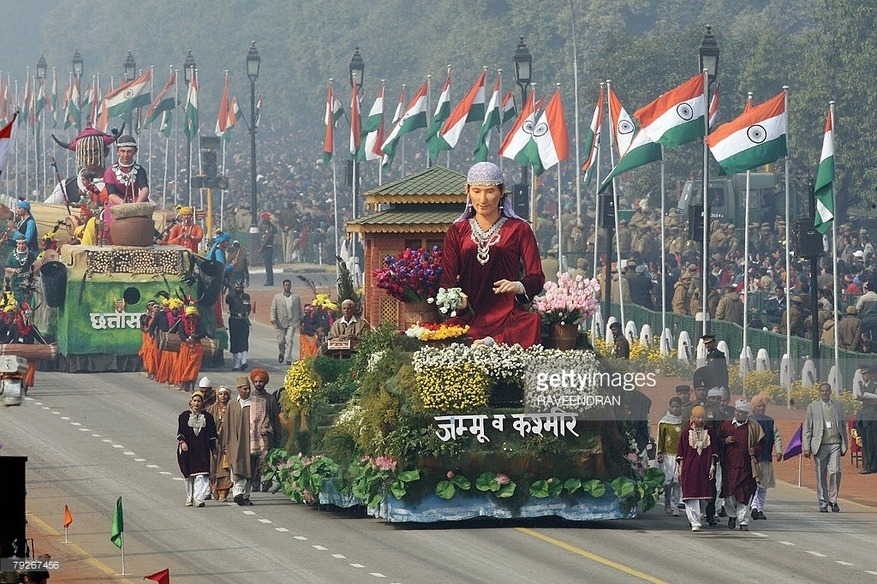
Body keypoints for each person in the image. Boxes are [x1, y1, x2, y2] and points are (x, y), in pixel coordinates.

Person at [438, 162, 545, 347]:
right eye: (477, 191)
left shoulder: (520, 229)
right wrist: (456, 300)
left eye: (490, 191)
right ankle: (488, 341)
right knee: (449, 332)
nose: (483, 199)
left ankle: (491, 342)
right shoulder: (457, 231)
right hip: (469, 315)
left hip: (508, 314)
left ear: (502, 191)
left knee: (531, 322)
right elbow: (447, 281)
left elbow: (536, 277)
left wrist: (518, 286)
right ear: (467, 191)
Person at [223, 376, 270, 506]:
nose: (247, 391)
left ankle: (245, 495)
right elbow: (227, 424)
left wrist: (265, 430)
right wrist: (224, 442)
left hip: (251, 442)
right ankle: (237, 492)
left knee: (250, 468)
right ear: (238, 389)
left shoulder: (257, 403)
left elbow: (264, 420)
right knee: (237, 466)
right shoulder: (232, 404)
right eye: (244, 389)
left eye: (248, 388)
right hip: (234, 441)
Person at [718, 400, 764, 531]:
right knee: (730, 495)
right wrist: (726, 440)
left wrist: (755, 450)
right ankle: (732, 516)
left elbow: (762, 444)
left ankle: (743, 521)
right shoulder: (727, 425)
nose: (739, 414)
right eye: (737, 411)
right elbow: (717, 441)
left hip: (746, 467)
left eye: (742, 412)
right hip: (729, 466)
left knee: (745, 494)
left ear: (746, 414)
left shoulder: (753, 427)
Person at [804, 382, 848, 512]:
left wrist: (845, 443)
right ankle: (823, 502)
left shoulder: (838, 406)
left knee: (835, 471)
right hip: (820, 445)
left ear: (830, 392)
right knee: (820, 474)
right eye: (822, 391)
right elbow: (807, 428)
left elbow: (843, 426)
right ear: (819, 392)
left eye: (827, 391)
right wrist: (806, 447)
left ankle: (833, 500)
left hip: (835, 443)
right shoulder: (813, 407)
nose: (825, 393)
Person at [677, 406, 718, 532]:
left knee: (704, 495)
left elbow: (713, 452)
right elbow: (681, 453)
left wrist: (712, 467)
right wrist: (680, 469)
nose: (700, 420)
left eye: (702, 417)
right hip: (689, 468)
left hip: (704, 467)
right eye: (697, 417)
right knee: (690, 496)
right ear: (692, 417)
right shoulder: (685, 433)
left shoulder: (709, 432)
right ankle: (694, 522)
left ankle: (700, 516)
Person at [177, 391, 218, 508]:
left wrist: (213, 451)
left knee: (202, 475)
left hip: (202, 450)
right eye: (194, 401)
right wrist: (182, 442)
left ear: (202, 403)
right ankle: (189, 497)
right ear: (191, 402)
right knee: (188, 475)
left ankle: (199, 498)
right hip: (187, 450)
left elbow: (211, 436)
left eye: (199, 401)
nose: (196, 403)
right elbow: (180, 433)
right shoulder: (184, 416)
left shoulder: (208, 417)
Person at [749, 393, 783, 520]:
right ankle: (754, 507)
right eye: (759, 406)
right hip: (752, 459)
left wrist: (779, 451)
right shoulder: (749, 420)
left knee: (763, 486)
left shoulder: (770, 421)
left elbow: (777, 436)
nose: (762, 408)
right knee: (754, 485)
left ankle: (760, 509)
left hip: (766, 457)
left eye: (763, 406)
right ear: (753, 407)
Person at [250, 369, 282, 492]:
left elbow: (275, 418)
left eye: (260, 381)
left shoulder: (270, 399)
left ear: (265, 382)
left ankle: (266, 481)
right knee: (253, 459)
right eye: (256, 381)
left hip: (267, 434)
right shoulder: (250, 398)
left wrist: (278, 436)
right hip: (252, 434)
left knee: (266, 459)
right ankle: (255, 481)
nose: (258, 384)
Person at [656, 397, 684, 516]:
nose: (675, 408)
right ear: (669, 407)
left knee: (678, 481)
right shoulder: (664, 422)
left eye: (677, 406)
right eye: (673, 406)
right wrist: (659, 453)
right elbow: (660, 439)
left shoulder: (685, 421)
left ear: (681, 407)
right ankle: (667, 502)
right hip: (667, 455)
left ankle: (675, 506)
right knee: (668, 481)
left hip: (680, 455)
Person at [103, 134, 149, 204]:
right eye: (122, 151)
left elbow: (144, 189)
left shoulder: (140, 170)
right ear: (118, 151)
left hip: (137, 201)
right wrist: (123, 204)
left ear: (135, 151)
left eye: (129, 151)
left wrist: (137, 204)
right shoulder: (110, 172)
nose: (126, 155)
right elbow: (111, 195)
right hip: (117, 203)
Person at [172, 305, 208, 392]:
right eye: (190, 315)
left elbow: (204, 333)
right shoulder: (182, 322)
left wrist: (196, 336)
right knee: (184, 366)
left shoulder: (199, 322)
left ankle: (192, 385)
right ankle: (184, 383)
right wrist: (186, 339)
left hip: (197, 347)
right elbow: (181, 333)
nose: (191, 317)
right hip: (186, 347)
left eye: (193, 315)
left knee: (194, 368)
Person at [208, 386, 233, 502]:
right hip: (214, 443)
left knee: (225, 467)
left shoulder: (232, 409)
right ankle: (213, 488)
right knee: (213, 467)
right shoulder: (211, 409)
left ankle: (223, 493)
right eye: (221, 394)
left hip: (227, 443)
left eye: (225, 394)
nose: (223, 396)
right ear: (217, 396)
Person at [270, 279, 302, 365]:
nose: (287, 287)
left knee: (290, 340)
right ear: (283, 286)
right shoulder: (277, 297)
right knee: (281, 341)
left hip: (292, 321)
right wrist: (273, 318)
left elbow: (299, 310)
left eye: (288, 285)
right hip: (281, 322)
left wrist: (301, 320)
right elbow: (273, 309)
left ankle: (289, 358)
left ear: (290, 286)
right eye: (285, 285)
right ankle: (282, 352)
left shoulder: (296, 297)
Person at [855, 364, 877, 474]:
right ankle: (868, 465)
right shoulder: (863, 386)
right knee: (866, 443)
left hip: (872, 418)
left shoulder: (874, 385)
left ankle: (870, 466)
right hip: (864, 417)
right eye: (862, 374)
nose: (864, 376)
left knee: (871, 443)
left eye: (865, 373)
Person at [226, 280, 252, 371]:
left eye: (240, 287)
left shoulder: (246, 296)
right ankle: (236, 363)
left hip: (243, 320)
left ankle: (244, 361)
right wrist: (231, 290)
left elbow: (248, 307)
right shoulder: (231, 297)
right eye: (237, 288)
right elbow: (227, 301)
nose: (239, 289)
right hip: (234, 320)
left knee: (244, 339)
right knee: (234, 340)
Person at [5, 235, 36, 305]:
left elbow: (35, 265)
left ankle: (29, 314)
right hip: (16, 282)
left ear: (26, 244)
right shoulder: (12, 255)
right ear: (17, 244)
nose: (21, 245)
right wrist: (14, 270)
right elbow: (7, 268)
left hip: (28, 281)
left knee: (28, 299)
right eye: (19, 244)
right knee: (17, 300)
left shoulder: (30, 254)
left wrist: (32, 272)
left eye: (23, 243)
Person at [259, 212, 278, 286]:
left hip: (267, 249)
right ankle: (269, 280)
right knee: (268, 266)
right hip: (267, 249)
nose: (263, 226)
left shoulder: (269, 232)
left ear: (267, 225)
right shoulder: (268, 231)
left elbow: (266, 241)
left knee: (268, 266)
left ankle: (269, 281)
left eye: (264, 224)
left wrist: (261, 249)